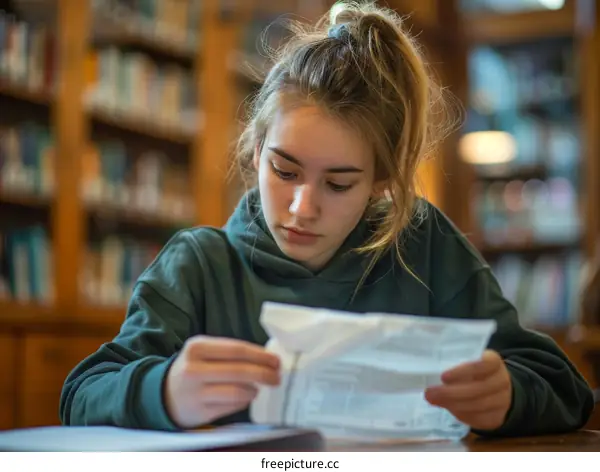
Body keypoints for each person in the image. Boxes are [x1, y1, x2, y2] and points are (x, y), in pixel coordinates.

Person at [60, 2, 594, 437]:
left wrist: (509, 397)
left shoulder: (421, 245)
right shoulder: (199, 264)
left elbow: (564, 388)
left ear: (381, 183)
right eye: (284, 170)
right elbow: (82, 393)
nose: (302, 207)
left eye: (339, 184)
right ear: (255, 151)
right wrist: (165, 389)